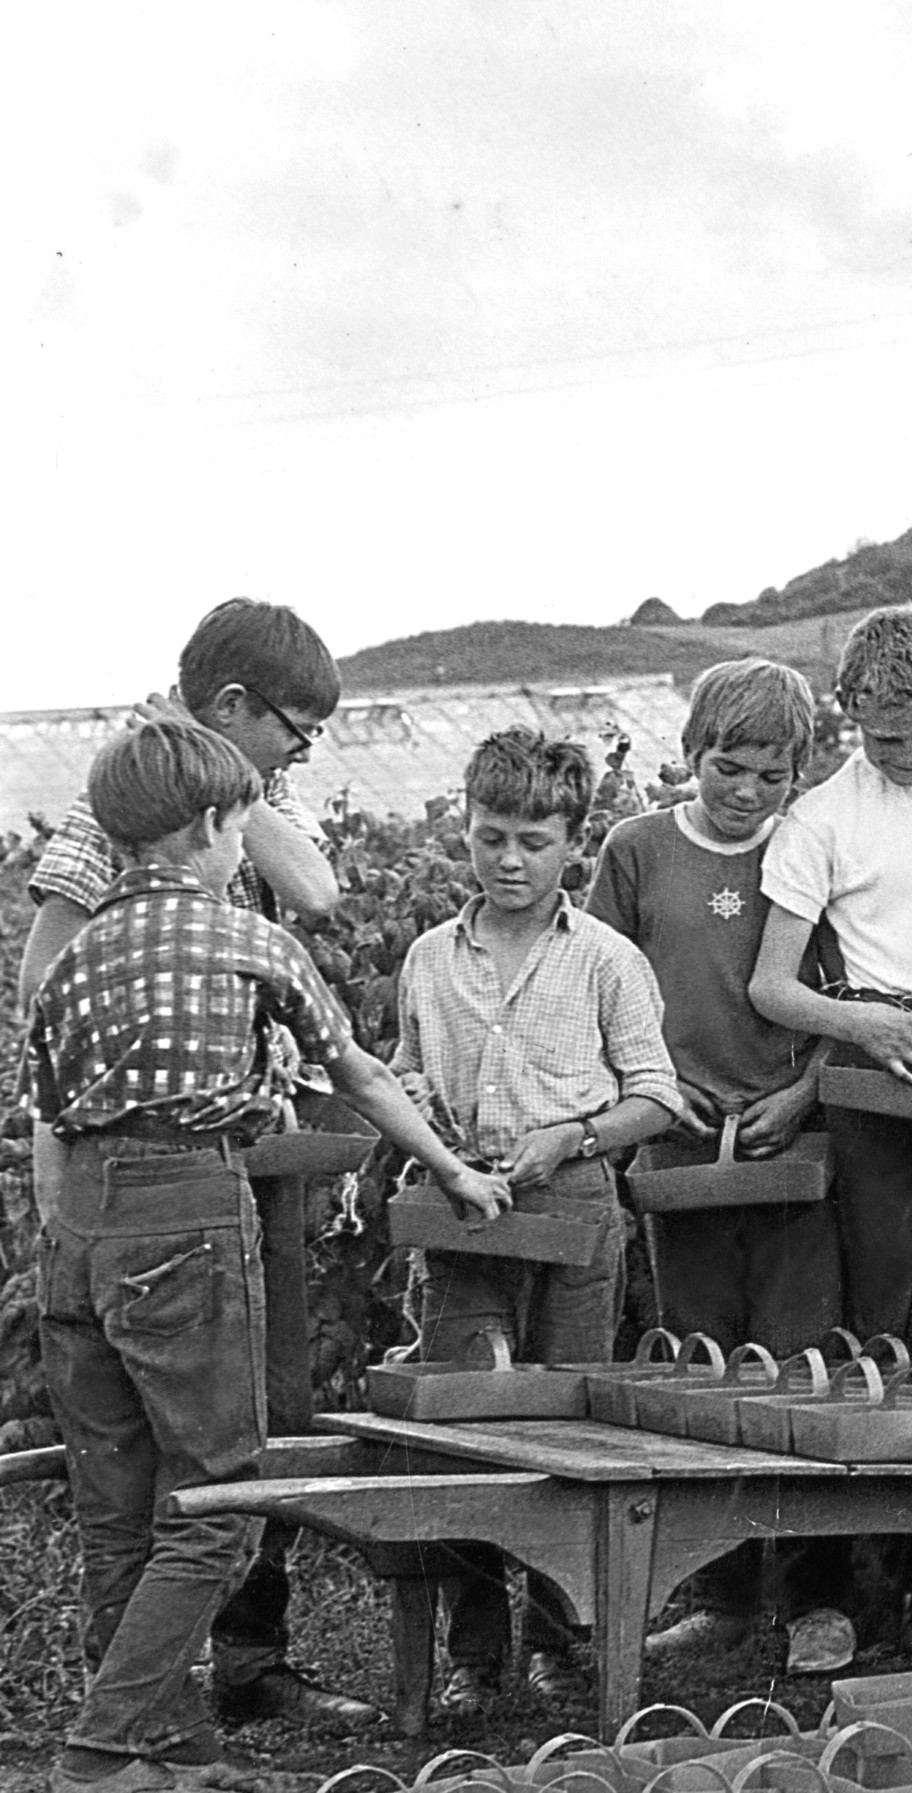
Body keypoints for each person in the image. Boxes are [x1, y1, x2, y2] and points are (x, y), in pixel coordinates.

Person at [28, 720, 512, 1793]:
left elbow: (51, 1116)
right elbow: (364, 1077)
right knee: (216, 1502)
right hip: (186, 1207)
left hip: (79, 1237)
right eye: (244, 821)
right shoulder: (248, 940)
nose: (244, 843)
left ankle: (160, 1743)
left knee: (120, 1511)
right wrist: (458, 1171)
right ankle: (104, 1747)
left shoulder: (71, 960)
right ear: (209, 823)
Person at [19, 601, 383, 1734]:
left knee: (249, 1410)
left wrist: (233, 778)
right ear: (227, 706)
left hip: (236, 1148)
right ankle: (145, 1708)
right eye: (294, 729)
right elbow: (46, 978)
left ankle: (226, 1671)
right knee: (200, 1453)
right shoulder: (123, 804)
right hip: (149, 1162)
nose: (302, 755)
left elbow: (315, 880)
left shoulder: (230, 795)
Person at [393, 728, 684, 1714]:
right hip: (467, 1206)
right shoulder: (432, 957)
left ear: (574, 846)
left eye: (531, 840)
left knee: (570, 1429)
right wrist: (416, 1111)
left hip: (571, 1203)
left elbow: (656, 1095)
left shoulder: (607, 959)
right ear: (464, 833)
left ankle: (564, 1640)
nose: (508, 860)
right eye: (489, 838)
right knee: (467, 1427)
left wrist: (574, 1137)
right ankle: (477, 1657)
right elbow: (405, 1065)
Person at [748, 604, 912, 1644]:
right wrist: (860, 1018)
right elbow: (776, 983)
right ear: (849, 711)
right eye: (883, 736)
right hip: (875, 1069)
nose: (906, 754)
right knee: (887, 1308)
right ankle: (896, 1572)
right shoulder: (820, 817)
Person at [586, 658, 855, 1674]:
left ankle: (819, 1591)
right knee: (698, 1361)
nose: (744, 792)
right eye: (725, 767)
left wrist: (807, 1090)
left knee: (804, 1362)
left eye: (768, 777)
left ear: (798, 775)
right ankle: (724, 1591)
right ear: (691, 752)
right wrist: (649, 1084)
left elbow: (845, 986)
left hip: (788, 1136)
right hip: (679, 1137)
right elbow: (599, 985)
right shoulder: (639, 848)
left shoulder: (806, 848)